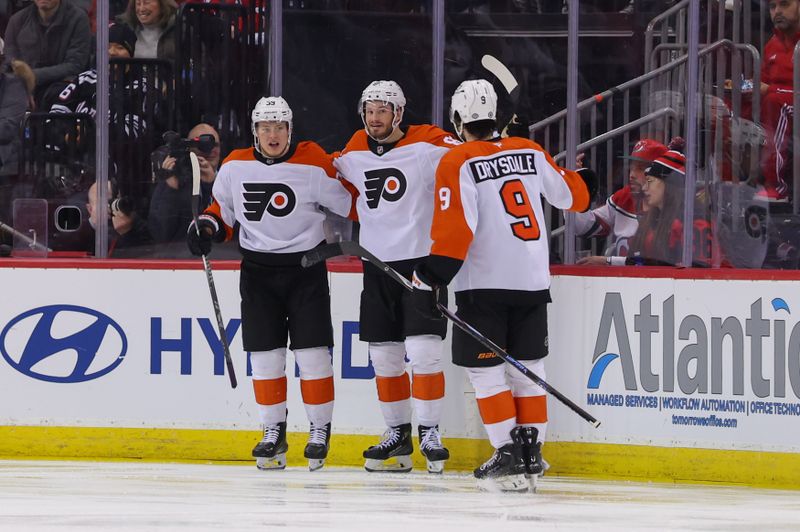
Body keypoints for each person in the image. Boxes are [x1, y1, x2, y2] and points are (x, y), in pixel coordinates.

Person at [410, 79, 594, 492]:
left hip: (485, 285)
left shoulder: (458, 160)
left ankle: (506, 451)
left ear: (458, 121)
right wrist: (584, 175)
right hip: (531, 281)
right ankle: (532, 455)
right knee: (530, 370)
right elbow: (574, 196)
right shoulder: (529, 150)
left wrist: (430, 276)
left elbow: (457, 231)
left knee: (486, 371)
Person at [186, 96, 354, 471]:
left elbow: (351, 203)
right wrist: (206, 227)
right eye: (265, 128)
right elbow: (223, 213)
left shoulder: (313, 162)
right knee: (265, 358)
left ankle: (318, 430)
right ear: (255, 131)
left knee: (313, 356)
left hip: (306, 270)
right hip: (259, 272)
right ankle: (272, 430)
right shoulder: (235, 165)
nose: (273, 135)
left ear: (290, 130)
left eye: (279, 127)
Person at [333, 80, 460, 474]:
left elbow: (465, 154)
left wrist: (498, 143)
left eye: (382, 112)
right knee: (384, 357)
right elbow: (323, 173)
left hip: (421, 267)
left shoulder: (427, 144)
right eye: (369, 111)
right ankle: (397, 434)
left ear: (398, 113)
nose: (374, 119)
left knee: (424, 353)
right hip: (376, 267)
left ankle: (429, 432)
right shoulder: (354, 148)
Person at [574, 138, 669, 266]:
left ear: (660, 174)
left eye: (640, 169)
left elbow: (659, 265)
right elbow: (582, 227)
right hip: (620, 283)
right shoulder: (624, 197)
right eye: (631, 168)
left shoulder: (674, 211)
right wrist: (573, 185)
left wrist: (608, 261)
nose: (632, 175)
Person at [627, 149, 716, 267]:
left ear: (669, 184)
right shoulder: (651, 220)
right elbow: (637, 261)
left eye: (650, 181)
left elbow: (699, 273)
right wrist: (607, 261)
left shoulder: (695, 223)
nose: (644, 188)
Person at [3, 0, 92, 105]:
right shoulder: (16, 21)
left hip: (64, 93)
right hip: (23, 91)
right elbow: (10, 64)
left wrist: (32, 76)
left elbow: (75, 65)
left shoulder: (78, 19)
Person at [148, 123, 221, 244]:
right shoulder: (175, 181)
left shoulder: (230, 179)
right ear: (190, 149)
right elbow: (160, 233)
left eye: (216, 145)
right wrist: (170, 187)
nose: (211, 150)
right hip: (180, 256)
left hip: (223, 256)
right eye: (203, 146)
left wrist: (211, 185)